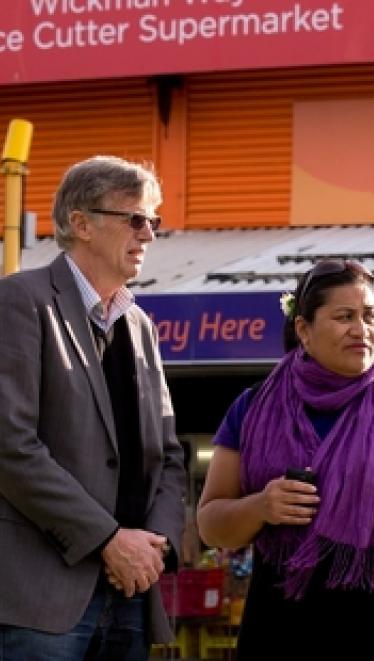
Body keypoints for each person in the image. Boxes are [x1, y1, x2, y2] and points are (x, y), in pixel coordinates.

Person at [197, 258, 374, 661]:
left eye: (370, 316)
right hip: (275, 629)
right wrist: (261, 507)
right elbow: (211, 526)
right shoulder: (252, 408)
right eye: (344, 317)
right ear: (303, 329)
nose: (361, 329)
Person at [0, 155, 185, 660]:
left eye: (153, 221)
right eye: (135, 218)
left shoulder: (141, 326)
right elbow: (11, 447)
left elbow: (169, 456)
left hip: (130, 594)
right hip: (42, 601)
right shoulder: (19, 302)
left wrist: (154, 546)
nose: (148, 234)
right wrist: (108, 540)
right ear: (80, 223)